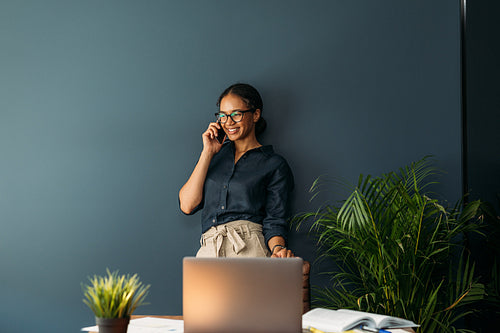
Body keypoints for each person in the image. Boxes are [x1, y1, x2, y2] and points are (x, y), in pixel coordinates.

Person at [179, 83, 295, 258]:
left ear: (255, 114)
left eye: (236, 114)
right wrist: (207, 153)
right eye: (223, 116)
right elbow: (187, 205)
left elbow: (275, 221)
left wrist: (278, 249)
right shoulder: (214, 157)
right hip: (209, 249)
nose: (229, 122)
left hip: (249, 248)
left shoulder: (273, 164)